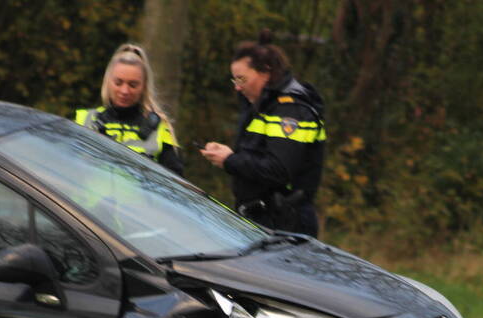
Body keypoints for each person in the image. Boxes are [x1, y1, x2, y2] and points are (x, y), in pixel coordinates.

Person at [200, 30, 325, 237]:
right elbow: (259, 156)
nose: (238, 88)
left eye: (242, 79)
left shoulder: (289, 111)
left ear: (265, 72)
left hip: (284, 222)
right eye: (234, 81)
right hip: (260, 218)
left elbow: (278, 170)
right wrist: (229, 155)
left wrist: (231, 160)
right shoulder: (263, 106)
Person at [75, 44, 184, 176]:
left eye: (133, 85)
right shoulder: (84, 120)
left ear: (144, 86)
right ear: (108, 81)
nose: (124, 91)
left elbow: (175, 186)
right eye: (118, 83)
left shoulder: (159, 129)